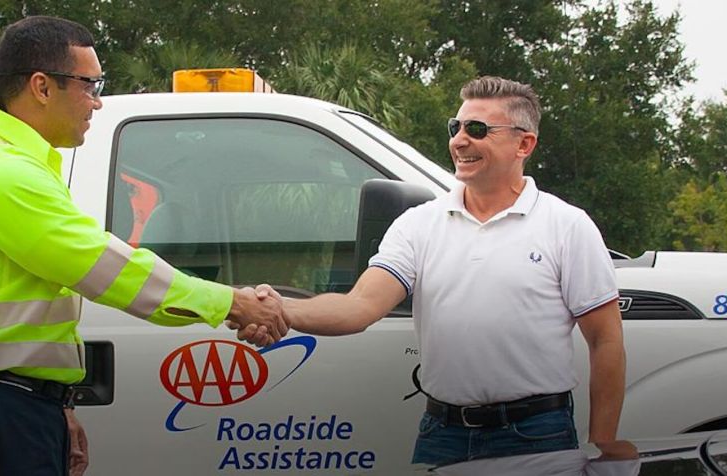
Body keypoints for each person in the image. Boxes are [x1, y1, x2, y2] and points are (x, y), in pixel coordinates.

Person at [0, 16, 285, 476]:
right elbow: (106, 268)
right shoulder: (1, 172)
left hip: (5, 405)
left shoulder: (8, 163)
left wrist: (54, 403)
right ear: (42, 87)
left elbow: (28, 313)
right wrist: (232, 303)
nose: (98, 101)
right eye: (90, 84)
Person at [236, 76, 626, 466]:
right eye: (455, 127)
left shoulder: (567, 226)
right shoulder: (417, 225)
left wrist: (603, 444)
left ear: (524, 144)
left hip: (538, 434)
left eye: (477, 130)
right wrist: (281, 308)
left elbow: (606, 341)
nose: (459, 140)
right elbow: (360, 306)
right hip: (443, 434)